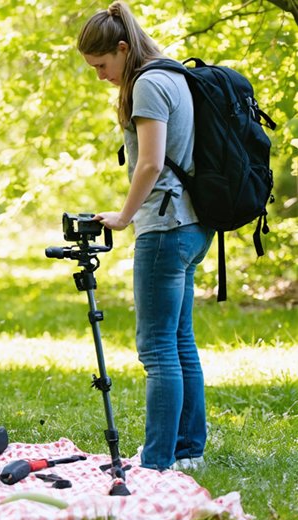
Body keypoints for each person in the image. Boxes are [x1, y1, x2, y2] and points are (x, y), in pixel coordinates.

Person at [78, 2, 213, 472]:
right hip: (195, 225)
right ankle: (188, 449)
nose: (100, 75)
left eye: (102, 65)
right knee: (180, 341)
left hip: (165, 226)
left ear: (121, 48)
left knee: (157, 348)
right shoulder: (173, 74)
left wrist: (122, 216)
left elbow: (150, 164)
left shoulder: (149, 84)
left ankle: (158, 459)